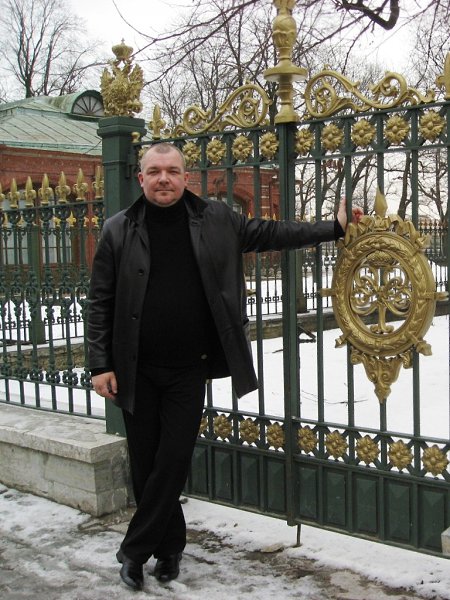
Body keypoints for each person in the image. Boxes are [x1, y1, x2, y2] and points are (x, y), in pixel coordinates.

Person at [88, 142, 363, 591]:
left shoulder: (217, 219)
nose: (163, 178)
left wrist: (333, 227)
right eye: (154, 171)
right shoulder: (118, 229)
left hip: (188, 368)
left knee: (173, 458)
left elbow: (273, 233)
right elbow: (100, 300)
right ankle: (169, 548)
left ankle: (134, 551)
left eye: (172, 171)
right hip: (135, 367)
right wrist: (100, 364)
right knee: (146, 465)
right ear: (141, 178)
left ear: (185, 177)